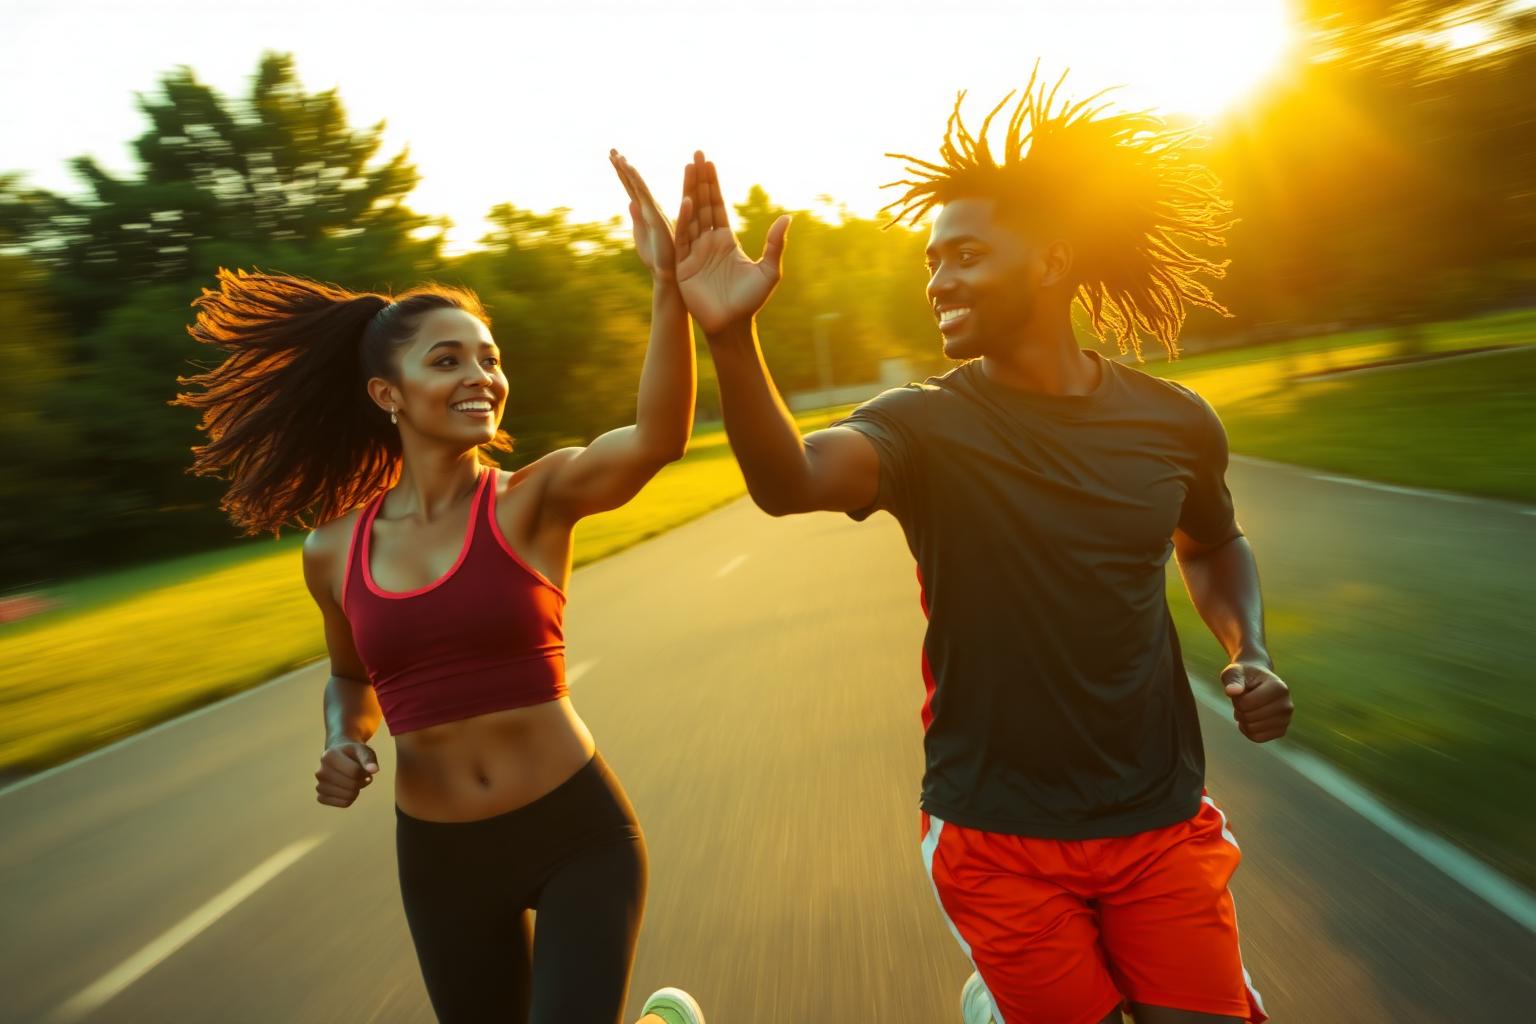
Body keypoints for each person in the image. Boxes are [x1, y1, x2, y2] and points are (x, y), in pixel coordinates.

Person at [669, 71, 1291, 1024]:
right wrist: (731, 337)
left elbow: (1211, 545)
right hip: (997, 831)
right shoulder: (924, 428)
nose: (937, 280)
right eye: (931, 259)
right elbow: (787, 479)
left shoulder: (1174, 424)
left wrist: (1248, 650)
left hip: (1159, 816)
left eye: (963, 255)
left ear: (1049, 261)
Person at [174, 152, 706, 1024]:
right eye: (448, 360)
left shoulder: (536, 500)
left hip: (577, 832)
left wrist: (668, 287)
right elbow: (352, 679)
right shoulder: (332, 552)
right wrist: (344, 740)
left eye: (489, 359)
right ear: (389, 392)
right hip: (441, 858)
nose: (480, 378)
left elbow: (657, 436)